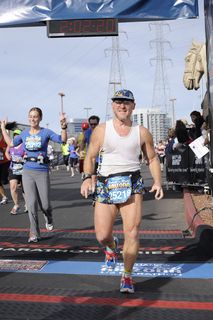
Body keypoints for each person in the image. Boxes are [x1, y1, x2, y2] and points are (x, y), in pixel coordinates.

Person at [80, 89, 163, 293]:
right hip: (106, 184)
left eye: (126, 102)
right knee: (101, 235)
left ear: (133, 105)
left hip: (132, 183)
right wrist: (86, 179)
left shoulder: (142, 132)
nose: (122, 106)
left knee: (132, 233)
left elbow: (152, 158)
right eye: (118, 102)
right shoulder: (101, 130)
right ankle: (111, 245)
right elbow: (90, 157)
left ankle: (127, 275)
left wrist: (158, 182)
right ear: (113, 106)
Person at [1, 107, 67, 242]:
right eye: (30, 116)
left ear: (40, 118)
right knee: (31, 204)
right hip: (27, 171)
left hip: (42, 171)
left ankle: (48, 217)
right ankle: (34, 233)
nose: (32, 119)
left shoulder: (46, 132)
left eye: (35, 116)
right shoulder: (24, 134)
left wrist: (63, 126)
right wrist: (3, 128)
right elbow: (11, 144)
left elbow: (62, 140)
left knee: (46, 205)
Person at [5, 129, 27, 214]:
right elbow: (7, 152)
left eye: (18, 134)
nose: (16, 136)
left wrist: (22, 158)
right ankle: (16, 205)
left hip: (24, 169)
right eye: (14, 134)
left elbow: (28, 154)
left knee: (25, 189)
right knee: (13, 187)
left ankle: (27, 204)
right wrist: (8, 157)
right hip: (13, 168)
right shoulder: (11, 144)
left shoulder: (24, 144)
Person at [0, 128, 10, 204]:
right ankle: (4, 197)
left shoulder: (4, 137)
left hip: (5, 162)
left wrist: (5, 149)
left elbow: (11, 145)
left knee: (4, 181)